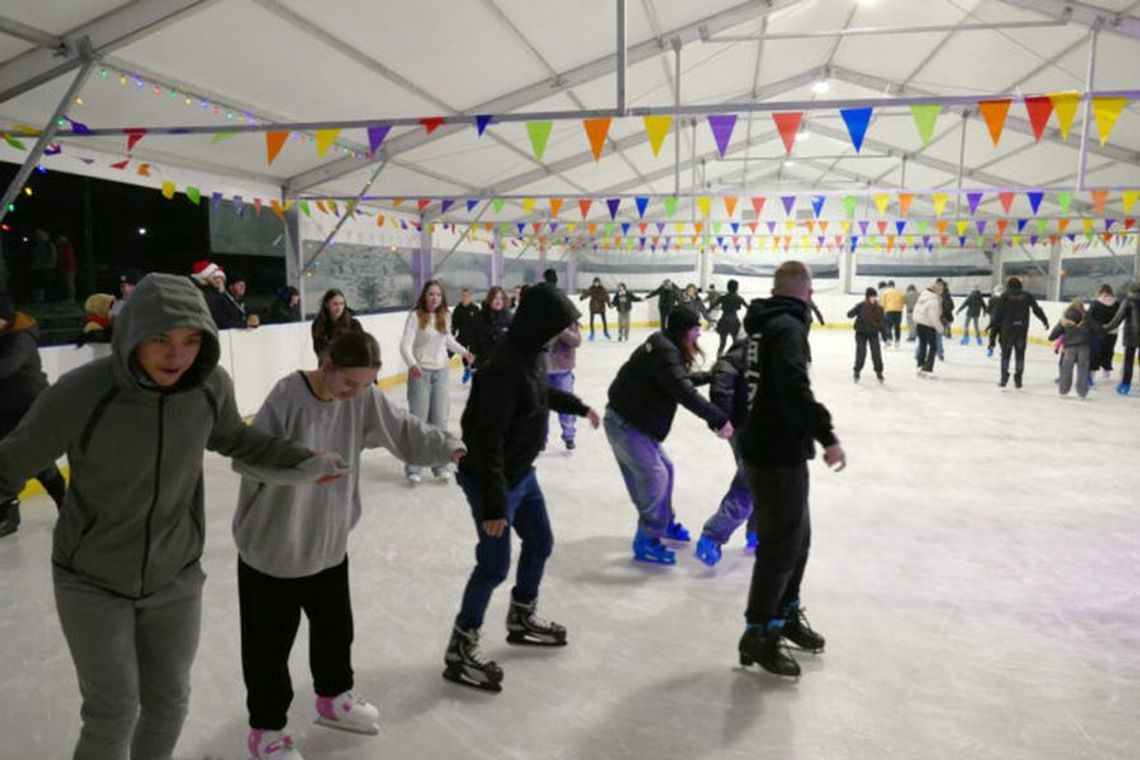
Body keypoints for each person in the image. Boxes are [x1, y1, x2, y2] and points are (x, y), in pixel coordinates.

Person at [0, 273, 343, 760]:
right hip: (92, 578)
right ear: (133, 334)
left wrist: (301, 459)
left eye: (189, 340)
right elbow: (11, 462)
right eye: (160, 339)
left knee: (169, 703)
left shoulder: (207, 387)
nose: (176, 355)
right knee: (112, 711)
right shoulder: (82, 393)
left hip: (175, 574)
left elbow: (238, 440)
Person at [234, 330, 463, 759]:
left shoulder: (363, 398)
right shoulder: (287, 395)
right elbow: (247, 458)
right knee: (268, 650)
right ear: (326, 367)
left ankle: (333, 699)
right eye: (348, 384)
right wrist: (305, 466)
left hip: (327, 543)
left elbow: (404, 430)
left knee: (335, 631)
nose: (355, 394)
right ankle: (265, 731)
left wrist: (451, 448)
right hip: (274, 551)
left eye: (365, 385)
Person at [443, 283, 601, 693]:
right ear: (539, 323)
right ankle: (461, 648)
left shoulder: (530, 355)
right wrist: (495, 507)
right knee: (493, 565)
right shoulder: (502, 368)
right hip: (491, 480)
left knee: (541, 542)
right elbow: (486, 439)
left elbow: (541, 392)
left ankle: (521, 616)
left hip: (521, 475)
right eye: (556, 325)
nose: (558, 334)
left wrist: (577, 407)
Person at [736, 261, 846, 678]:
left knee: (797, 540)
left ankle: (784, 614)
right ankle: (759, 632)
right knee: (782, 546)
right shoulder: (787, 328)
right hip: (775, 451)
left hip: (769, 446)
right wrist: (827, 434)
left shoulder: (763, 324)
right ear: (807, 293)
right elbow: (795, 387)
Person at [605, 306, 733, 565]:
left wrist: (708, 376)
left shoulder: (665, 347)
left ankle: (663, 524)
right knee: (655, 477)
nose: (699, 333)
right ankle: (647, 540)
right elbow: (683, 392)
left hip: (636, 422)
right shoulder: (664, 351)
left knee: (667, 469)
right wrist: (719, 419)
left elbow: (677, 380)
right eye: (696, 328)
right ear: (683, 331)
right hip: (626, 424)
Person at [0, 293, 66, 537]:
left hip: (31, 404)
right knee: (7, 457)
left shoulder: (21, 336)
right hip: (5, 407)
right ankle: (9, 514)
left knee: (36, 461)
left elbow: (7, 365)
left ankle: (64, 503)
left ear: (5, 318)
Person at [399, 280, 473, 484]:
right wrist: (413, 364)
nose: (434, 298)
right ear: (424, 296)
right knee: (419, 422)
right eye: (431, 294)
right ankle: (413, 466)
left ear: (442, 298)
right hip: (420, 373)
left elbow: (447, 339)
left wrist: (464, 352)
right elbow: (405, 345)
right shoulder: (415, 316)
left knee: (439, 420)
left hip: (441, 372)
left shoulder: (444, 315)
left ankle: (439, 464)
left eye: (438, 295)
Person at [694, 335, 756, 567]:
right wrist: (721, 419)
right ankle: (712, 536)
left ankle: (755, 533)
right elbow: (721, 385)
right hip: (746, 429)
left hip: (754, 428)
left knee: (759, 484)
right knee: (749, 485)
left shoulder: (758, 353)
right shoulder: (741, 358)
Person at [990, 277, 1050, 389]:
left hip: (1007, 331)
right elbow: (1036, 309)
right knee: (1020, 355)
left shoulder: (1005, 296)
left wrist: (992, 329)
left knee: (1005, 355)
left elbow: (998, 314)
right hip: (1021, 331)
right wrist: (1044, 320)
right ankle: (1018, 379)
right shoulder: (1027, 296)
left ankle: (1004, 378)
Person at [545, 311, 582, 451]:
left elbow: (576, 341)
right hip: (542, 370)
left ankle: (569, 436)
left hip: (562, 371)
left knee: (565, 405)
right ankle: (541, 439)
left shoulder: (569, 320)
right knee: (541, 408)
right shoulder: (537, 319)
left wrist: (563, 331)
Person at [1047, 300, 1093, 399]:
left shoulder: (1065, 319)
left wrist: (1052, 337)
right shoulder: (1087, 318)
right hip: (1084, 347)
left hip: (1069, 348)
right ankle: (1082, 392)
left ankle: (1063, 391)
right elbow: (1098, 331)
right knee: (1083, 370)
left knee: (1066, 369)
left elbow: (1054, 334)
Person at [1103, 279, 1140, 395]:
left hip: (1131, 336)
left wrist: (1105, 328)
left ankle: (1125, 385)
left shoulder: (1128, 301)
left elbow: (1118, 318)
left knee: (1128, 361)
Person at [311, 288, 362, 360]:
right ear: (326, 304)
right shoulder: (318, 325)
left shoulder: (353, 324)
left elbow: (361, 347)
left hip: (348, 365)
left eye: (342, 304)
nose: (339, 308)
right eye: (335, 304)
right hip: (328, 366)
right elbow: (318, 349)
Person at [847, 287, 885, 383]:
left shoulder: (879, 309)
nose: (874, 299)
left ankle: (879, 371)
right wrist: (853, 311)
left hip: (873, 333)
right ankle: (857, 370)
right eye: (872, 297)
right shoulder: (861, 306)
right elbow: (849, 314)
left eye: (875, 297)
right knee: (861, 352)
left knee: (876, 353)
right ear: (867, 297)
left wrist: (885, 335)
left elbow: (881, 323)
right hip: (861, 333)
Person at [472, 286, 512, 374]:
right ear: (489, 299)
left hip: (503, 363)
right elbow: (473, 339)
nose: (498, 301)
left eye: (501, 298)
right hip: (484, 363)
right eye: (495, 298)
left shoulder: (509, 318)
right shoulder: (480, 318)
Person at [1087, 284, 1120, 380]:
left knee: (1096, 352)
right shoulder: (1117, 303)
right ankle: (1107, 369)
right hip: (1113, 331)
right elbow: (1119, 317)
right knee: (1109, 351)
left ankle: (1092, 372)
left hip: (1098, 331)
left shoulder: (1096, 303)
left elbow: (1089, 317)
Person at [913, 281, 944, 377]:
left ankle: (920, 365)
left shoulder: (923, 297)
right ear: (938, 291)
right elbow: (933, 318)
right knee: (933, 347)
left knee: (922, 344)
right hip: (929, 326)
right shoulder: (933, 301)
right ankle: (928, 368)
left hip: (920, 325)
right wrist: (941, 329)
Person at [451, 288, 481, 384]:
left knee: (473, 355)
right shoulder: (457, 309)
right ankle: (467, 368)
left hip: (474, 337)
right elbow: (454, 324)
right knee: (464, 355)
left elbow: (480, 323)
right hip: (463, 336)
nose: (465, 298)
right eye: (463, 296)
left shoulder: (475, 309)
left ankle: (473, 370)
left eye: (467, 296)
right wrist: (453, 332)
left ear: (470, 297)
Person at [714, 279, 747, 358]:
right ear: (737, 288)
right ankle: (735, 358)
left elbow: (711, 307)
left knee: (722, 343)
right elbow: (749, 307)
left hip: (724, 321)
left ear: (727, 287)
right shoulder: (739, 298)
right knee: (735, 343)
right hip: (734, 322)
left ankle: (718, 358)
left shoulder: (722, 298)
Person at [579, 277, 612, 341]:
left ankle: (605, 332)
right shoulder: (591, 288)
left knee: (604, 321)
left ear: (599, 283)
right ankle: (592, 333)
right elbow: (587, 293)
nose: (596, 283)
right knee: (591, 321)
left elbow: (606, 296)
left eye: (597, 282)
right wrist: (582, 297)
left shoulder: (603, 289)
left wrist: (609, 303)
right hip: (593, 307)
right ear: (593, 283)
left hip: (601, 306)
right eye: (595, 282)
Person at [879, 280, 906, 347]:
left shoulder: (886, 292)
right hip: (898, 311)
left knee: (888, 325)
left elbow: (883, 302)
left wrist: (884, 309)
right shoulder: (900, 292)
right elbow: (903, 301)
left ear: (888, 285)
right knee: (897, 326)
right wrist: (900, 308)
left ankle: (889, 339)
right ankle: (897, 341)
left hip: (889, 310)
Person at [55, 234, 77, 302]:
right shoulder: (66, 247)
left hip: (68, 267)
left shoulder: (65, 248)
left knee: (69, 283)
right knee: (67, 283)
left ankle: (71, 298)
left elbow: (65, 258)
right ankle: (69, 297)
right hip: (68, 267)